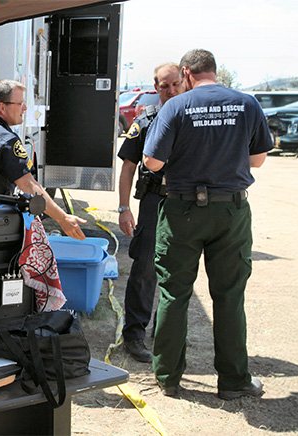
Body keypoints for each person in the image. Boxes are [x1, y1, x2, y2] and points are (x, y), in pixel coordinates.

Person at [142, 49, 272, 399]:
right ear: (213, 71)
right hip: (230, 211)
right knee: (230, 296)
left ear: (186, 73)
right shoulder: (247, 103)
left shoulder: (176, 106)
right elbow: (258, 159)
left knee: (174, 293)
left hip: (182, 210)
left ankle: (168, 377)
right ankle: (233, 381)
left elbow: (152, 162)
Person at [0, 79, 86, 240]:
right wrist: (63, 218)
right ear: (2, 107)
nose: (24, 108)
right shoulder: (6, 139)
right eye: (20, 103)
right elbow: (28, 184)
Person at [117, 63, 185, 363]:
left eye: (175, 84)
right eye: (164, 86)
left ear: (185, 82)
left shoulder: (193, 118)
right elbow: (128, 167)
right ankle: (134, 335)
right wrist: (123, 208)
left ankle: (166, 333)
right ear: (155, 88)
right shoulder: (146, 120)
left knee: (179, 270)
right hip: (154, 201)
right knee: (145, 268)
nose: (171, 91)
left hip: (185, 203)